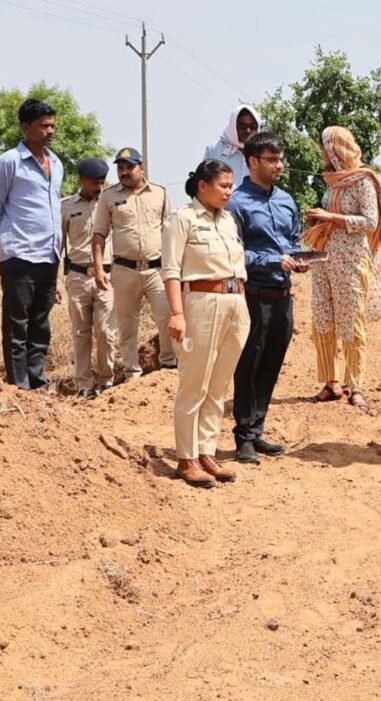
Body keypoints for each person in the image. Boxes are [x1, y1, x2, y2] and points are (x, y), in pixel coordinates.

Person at [162, 160, 250, 488]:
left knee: (218, 384)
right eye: (223, 185)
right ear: (203, 185)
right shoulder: (182, 219)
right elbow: (171, 270)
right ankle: (186, 458)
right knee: (194, 383)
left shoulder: (228, 220)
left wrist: (242, 303)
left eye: (230, 186)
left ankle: (206, 452)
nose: (229, 191)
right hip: (200, 301)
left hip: (235, 302)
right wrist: (176, 313)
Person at [302, 125, 381, 412]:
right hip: (325, 259)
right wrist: (319, 220)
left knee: (351, 319)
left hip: (351, 260)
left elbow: (370, 222)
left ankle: (356, 386)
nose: (321, 152)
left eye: (325, 146)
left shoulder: (362, 181)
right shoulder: (332, 182)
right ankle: (331, 382)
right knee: (323, 316)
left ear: (335, 149)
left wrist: (331, 216)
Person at [229, 132, 309, 464]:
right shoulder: (236, 203)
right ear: (252, 161)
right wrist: (272, 260)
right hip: (253, 296)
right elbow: (234, 254)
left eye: (281, 159)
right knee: (248, 365)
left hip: (283, 296)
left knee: (271, 364)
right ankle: (243, 437)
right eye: (272, 159)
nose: (279, 165)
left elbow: (292, 241)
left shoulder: (287, 200)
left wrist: (299, 259)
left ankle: (257, 430)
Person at [0, 99, 64, 390]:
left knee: (40, 323)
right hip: (19, 253)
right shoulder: (9, 162)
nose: (50, 131)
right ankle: (19, 386)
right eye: (44, 126)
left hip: (49, 254)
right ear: (25, 127)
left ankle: (37, 382)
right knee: (17, 323)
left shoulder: (56, 163)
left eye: (52, 125)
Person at [91, 147, 174, 379]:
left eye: (129, 167)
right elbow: (99, 234)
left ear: (141, 168)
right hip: (124, 270)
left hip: (157, 269)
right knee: (127, 325)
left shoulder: (160, 193)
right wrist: (99, 268)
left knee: (167, 317)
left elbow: (171, 231)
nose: (124, 172)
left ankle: (169, 366)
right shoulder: (108, 197)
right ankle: (131, 373)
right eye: (120, 168)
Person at [61, 158, 116, 398]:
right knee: (80, 332)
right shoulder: (66, 206)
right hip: (77, 275)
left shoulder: (110, 202)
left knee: (105, 331)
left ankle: (107, 380)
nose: (99, 187)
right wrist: (56, 281)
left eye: (102, 182)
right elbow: (58, 244)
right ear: (81, 180)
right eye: (94, 182)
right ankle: (84, 384)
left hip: (107, 275)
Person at [203, 104, 261, 196]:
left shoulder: (263, 152)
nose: (248, 131)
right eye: (242, 126)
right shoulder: (215, 149)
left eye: (252, 126)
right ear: (233, 125)